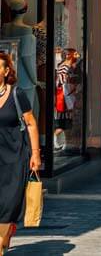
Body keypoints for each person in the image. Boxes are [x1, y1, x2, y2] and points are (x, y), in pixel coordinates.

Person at [0, 52, 41, 256]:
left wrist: (35, 154)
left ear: (6, 71)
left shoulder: (17, 94)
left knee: (9, 203)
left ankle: (2, 238)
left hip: (15, 157)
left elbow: (31, 123)